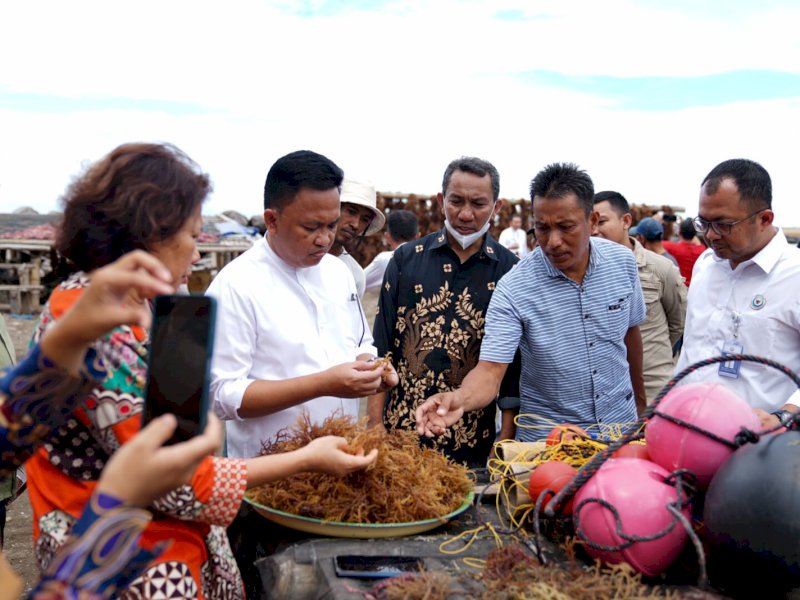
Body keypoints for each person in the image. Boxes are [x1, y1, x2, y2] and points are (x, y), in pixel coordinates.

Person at [24, 144, 379, 599]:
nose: (197, 257)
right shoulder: (97, 325)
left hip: (175, 549)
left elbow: (188, 431)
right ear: (146, 237)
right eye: (192, 237)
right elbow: (180, 480)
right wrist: (307, 459)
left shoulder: (157, 312)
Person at [206, 150, 397, 596]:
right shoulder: (236, 286)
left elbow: (361, 346)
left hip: (341, 472)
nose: (324, 239)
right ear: (271, 219)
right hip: (270, 485)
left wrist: (376, 371)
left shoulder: (335, 275)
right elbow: (222, 395)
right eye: (310, 227)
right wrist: (324, 382)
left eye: (331, 225)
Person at [415, 162, 647, 443]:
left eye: (566, 227)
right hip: (549, 445)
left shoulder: (622, 263)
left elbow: (630, 336)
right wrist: (459, 399)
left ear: (593, 221)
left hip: (620, 430)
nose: (553, 241)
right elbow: (490, 371)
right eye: (542, 228)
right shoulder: (515, 288)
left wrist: (641, 405)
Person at [368, 157, 519, 467]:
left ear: (497, 206)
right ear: (441, 200)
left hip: (471, 440)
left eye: (478, 203)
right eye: (456, 201)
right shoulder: (405, 259)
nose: (465, 214)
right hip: (401, 434)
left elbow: (512, 366)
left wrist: (505, 435)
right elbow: (382, 347)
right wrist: (374, 424)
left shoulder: (511, 272)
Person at [676, 158, 800, 429]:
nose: (710, 235)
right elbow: (692, 349)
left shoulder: (795, 275)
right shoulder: (705, 265)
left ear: (764, 219)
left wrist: (785, 415)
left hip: (760, 448)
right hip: (686, 433)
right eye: (703, 222)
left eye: (723, 224)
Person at [593, 191, 686, 402]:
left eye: (602, 222)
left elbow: (678, 322)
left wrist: (649, 354)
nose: (594, 231)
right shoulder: (585, 274)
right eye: (590, 223)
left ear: (626, 221)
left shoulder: (660, 269)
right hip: (608, 392)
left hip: (652, 388)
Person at [327, 179, 385, 298]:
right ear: (334, 207)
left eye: (365, 219)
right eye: (351, 212)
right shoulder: (295, 256)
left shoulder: (355, 275)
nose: (356, 225)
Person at [363, 209, 419, 291]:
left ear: (387, 237)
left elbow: (357, 282)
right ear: (418, 236)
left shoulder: (385, 260)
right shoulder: (430, 259)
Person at [663, 217, 706, 286]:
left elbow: (657, 243)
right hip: (693, 287)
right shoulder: (702, 250)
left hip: (679, 287)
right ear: (694, 235)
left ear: (679, 233)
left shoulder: (673, 248)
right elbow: (699, 244)